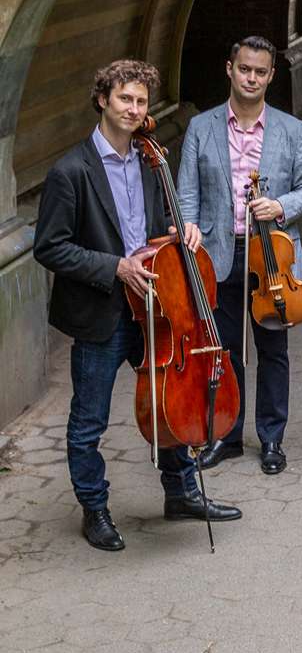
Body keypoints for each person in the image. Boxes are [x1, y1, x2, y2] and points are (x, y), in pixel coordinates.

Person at [33, 60, 241, 551]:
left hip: (156, 307)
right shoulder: (70, 171)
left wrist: (180, 230)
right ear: (103, 100)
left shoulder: (150, 161)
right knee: (89, 420)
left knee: (171, 404)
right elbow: (50, 247)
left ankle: (181, 492)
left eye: (141, 101)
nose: (134, 109)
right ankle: (95, 509)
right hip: (104, 311)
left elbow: (158, 225)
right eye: (124, 98)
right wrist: (114, 266)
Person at [177, 36, 302, 475]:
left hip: (272, 257)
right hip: (218, 254)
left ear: (271, 75)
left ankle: (272, 438)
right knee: (224, 350)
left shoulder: (292, 130)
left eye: (260, 72)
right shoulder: (201, 128)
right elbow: (186, 192)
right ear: (229, 69)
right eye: (245, 69)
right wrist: (189, 225)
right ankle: (228, 434)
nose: (252, 78)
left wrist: (280, 206)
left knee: (273, 349)